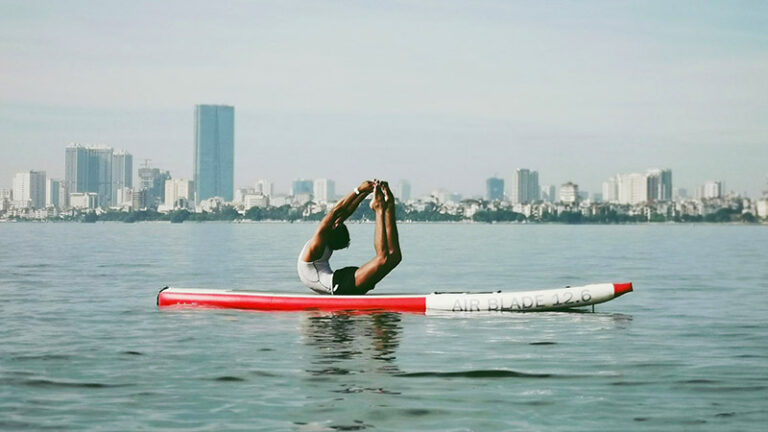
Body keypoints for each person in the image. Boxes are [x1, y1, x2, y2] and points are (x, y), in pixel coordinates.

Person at [297, 179, 402, 295]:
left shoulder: (322, 241)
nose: (337, 221)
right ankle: (380, 208)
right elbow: (337, 212)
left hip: (341, 282)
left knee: (390, 258)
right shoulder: (316, 244)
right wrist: (359, 190)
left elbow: (342, 211)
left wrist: (364, 192)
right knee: (390, 258)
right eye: (337, 223)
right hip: (339, 283)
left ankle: (388, 205)